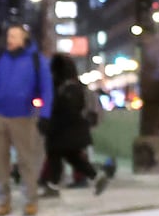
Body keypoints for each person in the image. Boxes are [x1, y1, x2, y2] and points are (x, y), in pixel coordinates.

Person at [0, 23, 53, 216]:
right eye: (8, 36)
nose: (9, 39)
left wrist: (44, 114)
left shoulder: (36, 59)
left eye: (14, 36)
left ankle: (30, 199)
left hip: (24, 116)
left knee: (26, 160)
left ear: (23, 39)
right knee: (0, 160)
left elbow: (46, 87)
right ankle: (3, 200)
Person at [40, 53, 115, 198]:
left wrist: (47, 124)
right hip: (75, 131)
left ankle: (53, 185)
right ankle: (96, 176)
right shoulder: (77, 85)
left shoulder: (62, 87)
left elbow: (62, 109)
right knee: (72, 157)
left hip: (62, 131)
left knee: (56, 156)